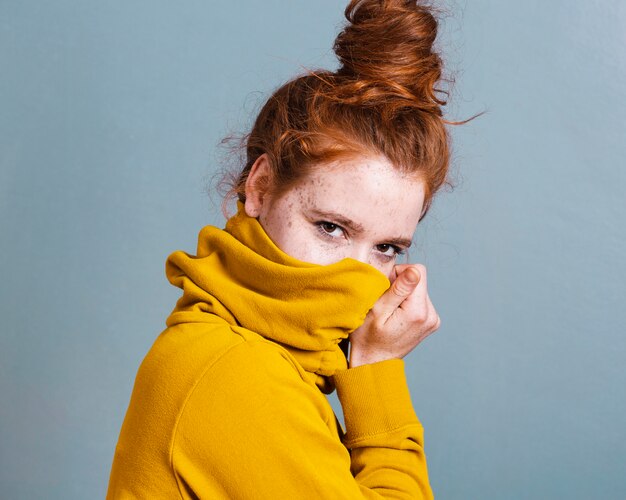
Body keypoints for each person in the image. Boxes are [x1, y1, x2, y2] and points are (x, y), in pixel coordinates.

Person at [107, 0, 458, 497]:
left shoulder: (270, 358)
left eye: (385, 247)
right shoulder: (237, 371)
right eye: (331, 228)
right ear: (261, 187)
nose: (354, 277)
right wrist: (378, 372)